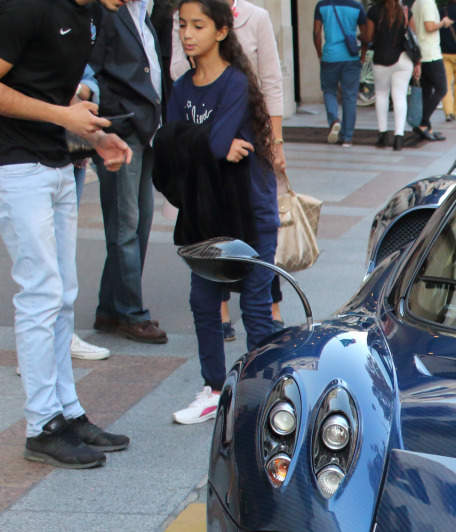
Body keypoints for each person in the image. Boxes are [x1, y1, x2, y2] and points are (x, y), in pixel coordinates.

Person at [0, 0, 133, 468]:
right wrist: (64, 118)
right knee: (40, 293)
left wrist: (94, 137)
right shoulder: (26, 8)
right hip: (15, 166)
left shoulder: (93, 15)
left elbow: (49, 94)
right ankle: (41, 426)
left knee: (62, 293)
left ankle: (67, 413)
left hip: (57, 163)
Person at [165, 0, 278, 425]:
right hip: (207, 209)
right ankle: (214, 389)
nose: (188, 34)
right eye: (182, 25)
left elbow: (200, 143)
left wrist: (201, 142)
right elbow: (169, 145)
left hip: (250, 208)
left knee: (254, 303)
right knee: (202, 300)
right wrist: (208, 142)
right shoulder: (181, 87)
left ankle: (261, 391)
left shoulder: (234, 84)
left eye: (198, 25)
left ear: (221, 32)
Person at [90, 0, 170, 345]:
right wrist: (122, 114)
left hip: (147, 131)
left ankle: (109, 308)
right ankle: (131, 315)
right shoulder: (106, 13)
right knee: (125, 226)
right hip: (122, 131)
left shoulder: (144, 15)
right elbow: (92, 73)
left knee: (138, 224)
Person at [366, 0, 418, 150]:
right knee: (400, 97)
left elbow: (368, 36)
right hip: (403, 59)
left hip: (381, 58)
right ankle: (399, 137)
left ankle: (383, 135)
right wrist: (418, 63)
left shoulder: (374, 11)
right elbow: (414, 38)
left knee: (381, 94)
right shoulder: (406, 12)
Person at [314, 0, 367, 147]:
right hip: (351, 58)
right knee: (349, 97)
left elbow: (316, 32)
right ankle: (347, 138)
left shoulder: (322, 5)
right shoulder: (357, 6)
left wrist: (320, 54)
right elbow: (366, 34)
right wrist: (362, 56)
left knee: (329, 91)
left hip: (330, 57)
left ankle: (334, 121)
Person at [410, 0, 452, 141]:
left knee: (427, 91)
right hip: (431, 53)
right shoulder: (428, 3)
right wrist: (443, 23)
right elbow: (429, 26)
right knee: (442, 88)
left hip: (421, 51)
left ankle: (428, 127)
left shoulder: (416, 3)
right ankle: (422, 122)